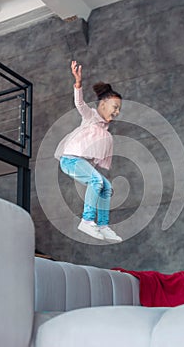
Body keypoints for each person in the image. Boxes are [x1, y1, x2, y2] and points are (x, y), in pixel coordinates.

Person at [54, 60, 122, 242]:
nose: (116, 112)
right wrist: (78, 83)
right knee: (96, 181)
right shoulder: (91, 116)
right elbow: (80, 103)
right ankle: (87, 220)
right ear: (103, 104)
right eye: (115, 107)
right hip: (69, 159)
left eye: (119, 110)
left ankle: (103, 225)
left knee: (107, 187)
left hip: (79, 162)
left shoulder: (105, 132)